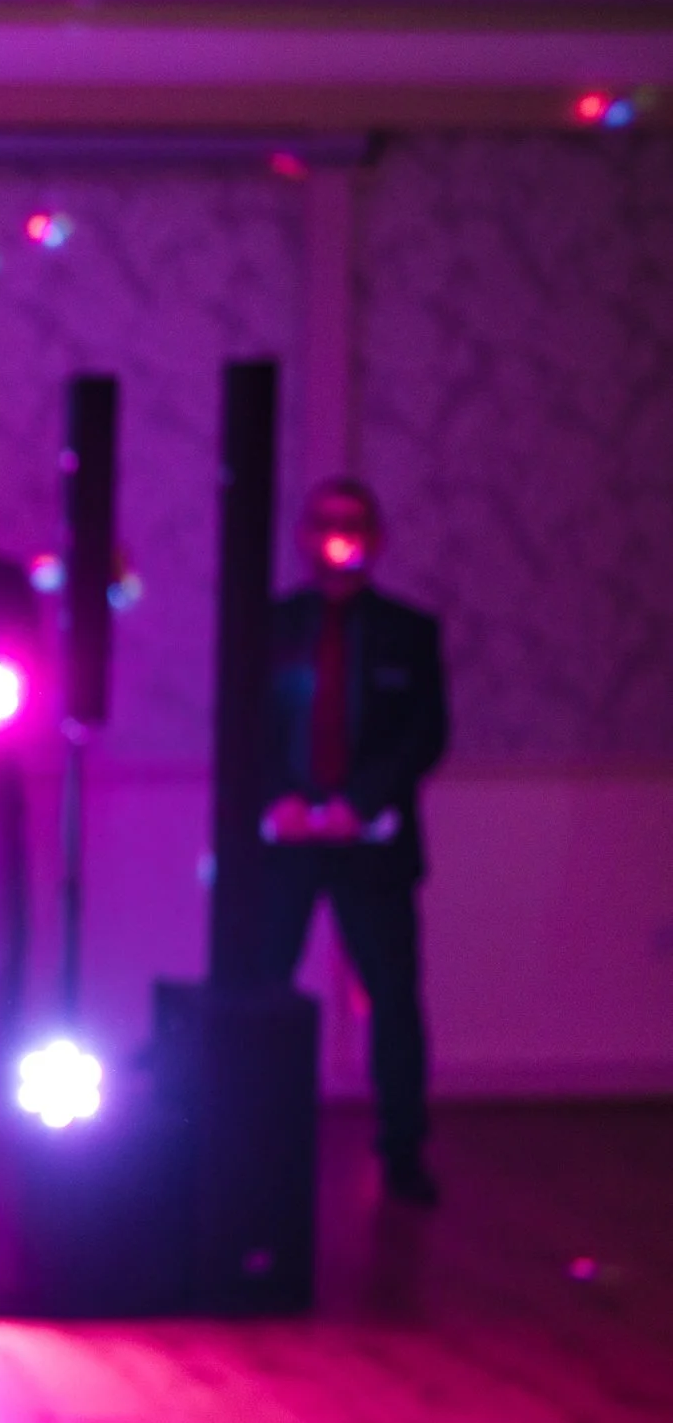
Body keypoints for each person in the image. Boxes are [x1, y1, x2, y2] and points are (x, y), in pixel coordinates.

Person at [255, 477, 448, 1206]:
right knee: (262, 991)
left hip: (373, 845)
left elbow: (425, 733)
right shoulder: (272, 627)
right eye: (325, 522)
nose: (339, 535)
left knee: (392, 997)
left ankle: (403, 1149)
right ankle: (255, 1143)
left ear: (378, 536)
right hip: (286, 842)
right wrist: (281, 798)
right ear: (303, 536)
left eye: (353, 521)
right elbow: (247, 724)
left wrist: (358, 803)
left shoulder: (408, 632)